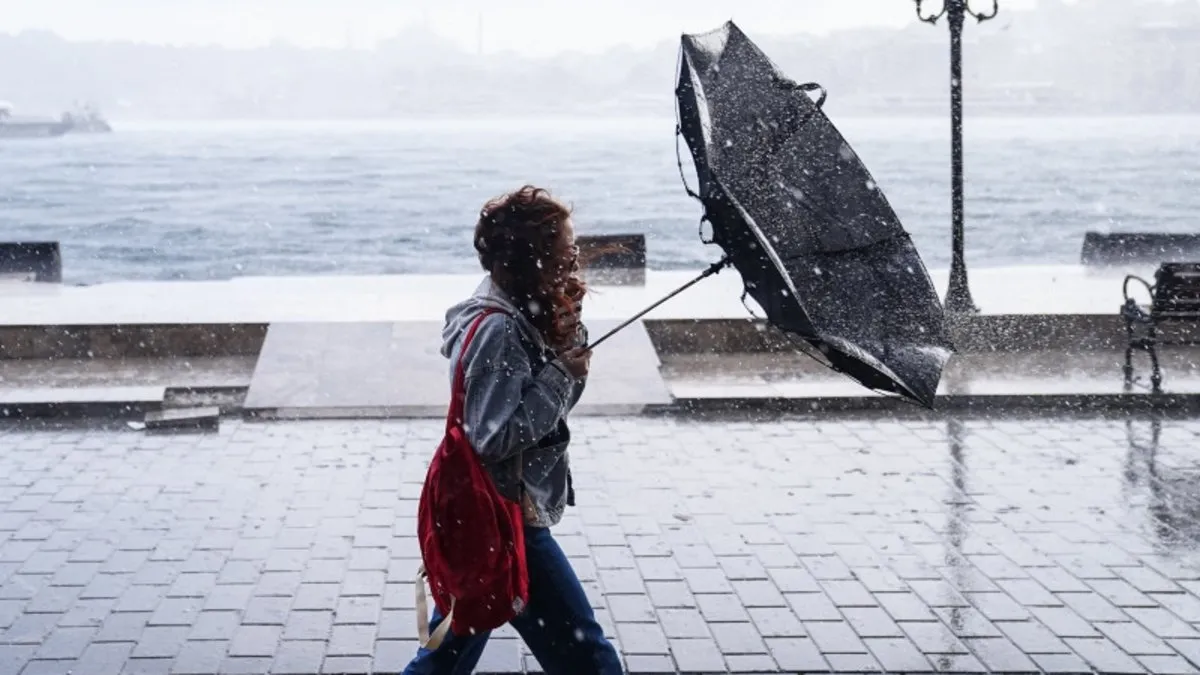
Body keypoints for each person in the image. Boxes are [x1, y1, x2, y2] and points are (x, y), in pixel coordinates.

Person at [402, 185, 624, 675]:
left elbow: (550, 414)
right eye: (565, 251)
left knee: (449, 653)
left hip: (491, 513)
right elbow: (494, 436)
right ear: (535, 259)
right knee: (588, 657)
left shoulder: (521, 309)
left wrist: (567, 345)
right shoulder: (500, 329)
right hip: (505, 516)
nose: (575, 260)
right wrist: (561, 373)